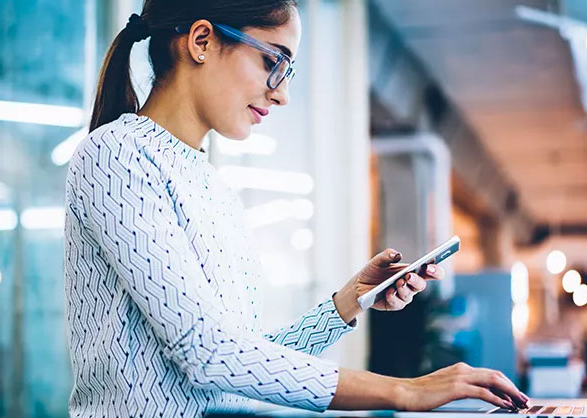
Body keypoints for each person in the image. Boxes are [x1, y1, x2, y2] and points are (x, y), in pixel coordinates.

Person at [63, 1, 530, 416]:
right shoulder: (116, 155)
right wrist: (404, 392)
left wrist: (346, 304)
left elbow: (239, 371)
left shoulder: (213, 186)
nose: (281, 92)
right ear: (201, 40)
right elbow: (208, 354)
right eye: (273, 61)